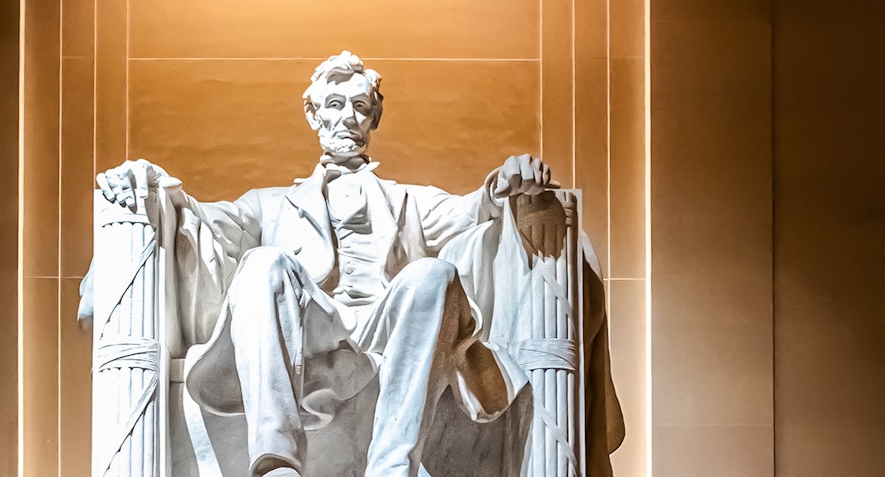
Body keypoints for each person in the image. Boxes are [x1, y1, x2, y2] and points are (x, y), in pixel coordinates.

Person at [95, 51, 622, 477]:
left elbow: (474, 212)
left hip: (391, 332)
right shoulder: (268, 205)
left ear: (374, 117)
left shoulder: (411, 201)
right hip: (309, 332)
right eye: (334, 104)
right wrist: (154, 187)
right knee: (263, 263)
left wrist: (504, 182)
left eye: (360, 106)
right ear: (313, 115)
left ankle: (392, 466)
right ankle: (277, 462)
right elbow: (202, 223)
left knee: (433, 274)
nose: (347, 116)